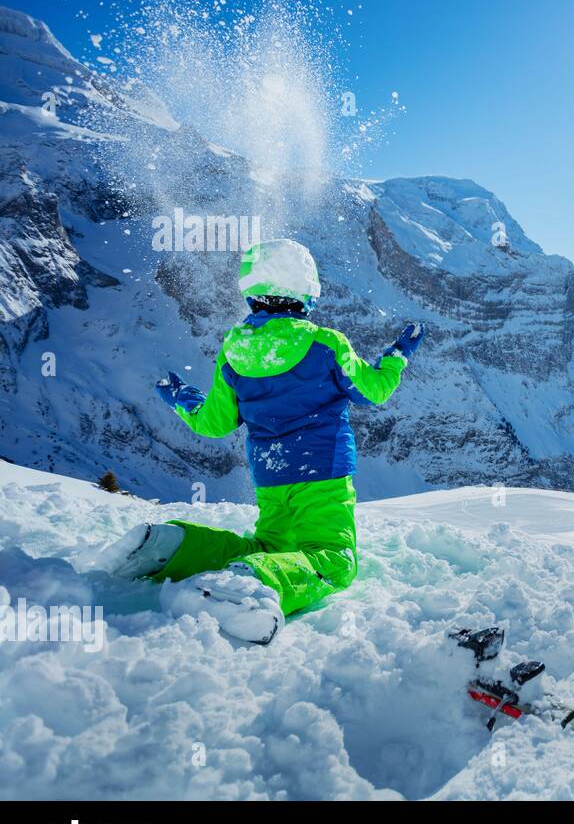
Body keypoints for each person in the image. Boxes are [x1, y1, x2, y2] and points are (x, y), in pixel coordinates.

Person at [100, 238, 423, 644]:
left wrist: (182, 397)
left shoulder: (233, 350)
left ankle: (172, 547)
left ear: (251, 292)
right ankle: (250, 584)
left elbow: (215, 424)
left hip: (270, 476)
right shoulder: (327, 344)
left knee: (270, 544)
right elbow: (373, 390)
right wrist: (398, 354)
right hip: (322, 472)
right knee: (335, 561)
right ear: (307, 292)